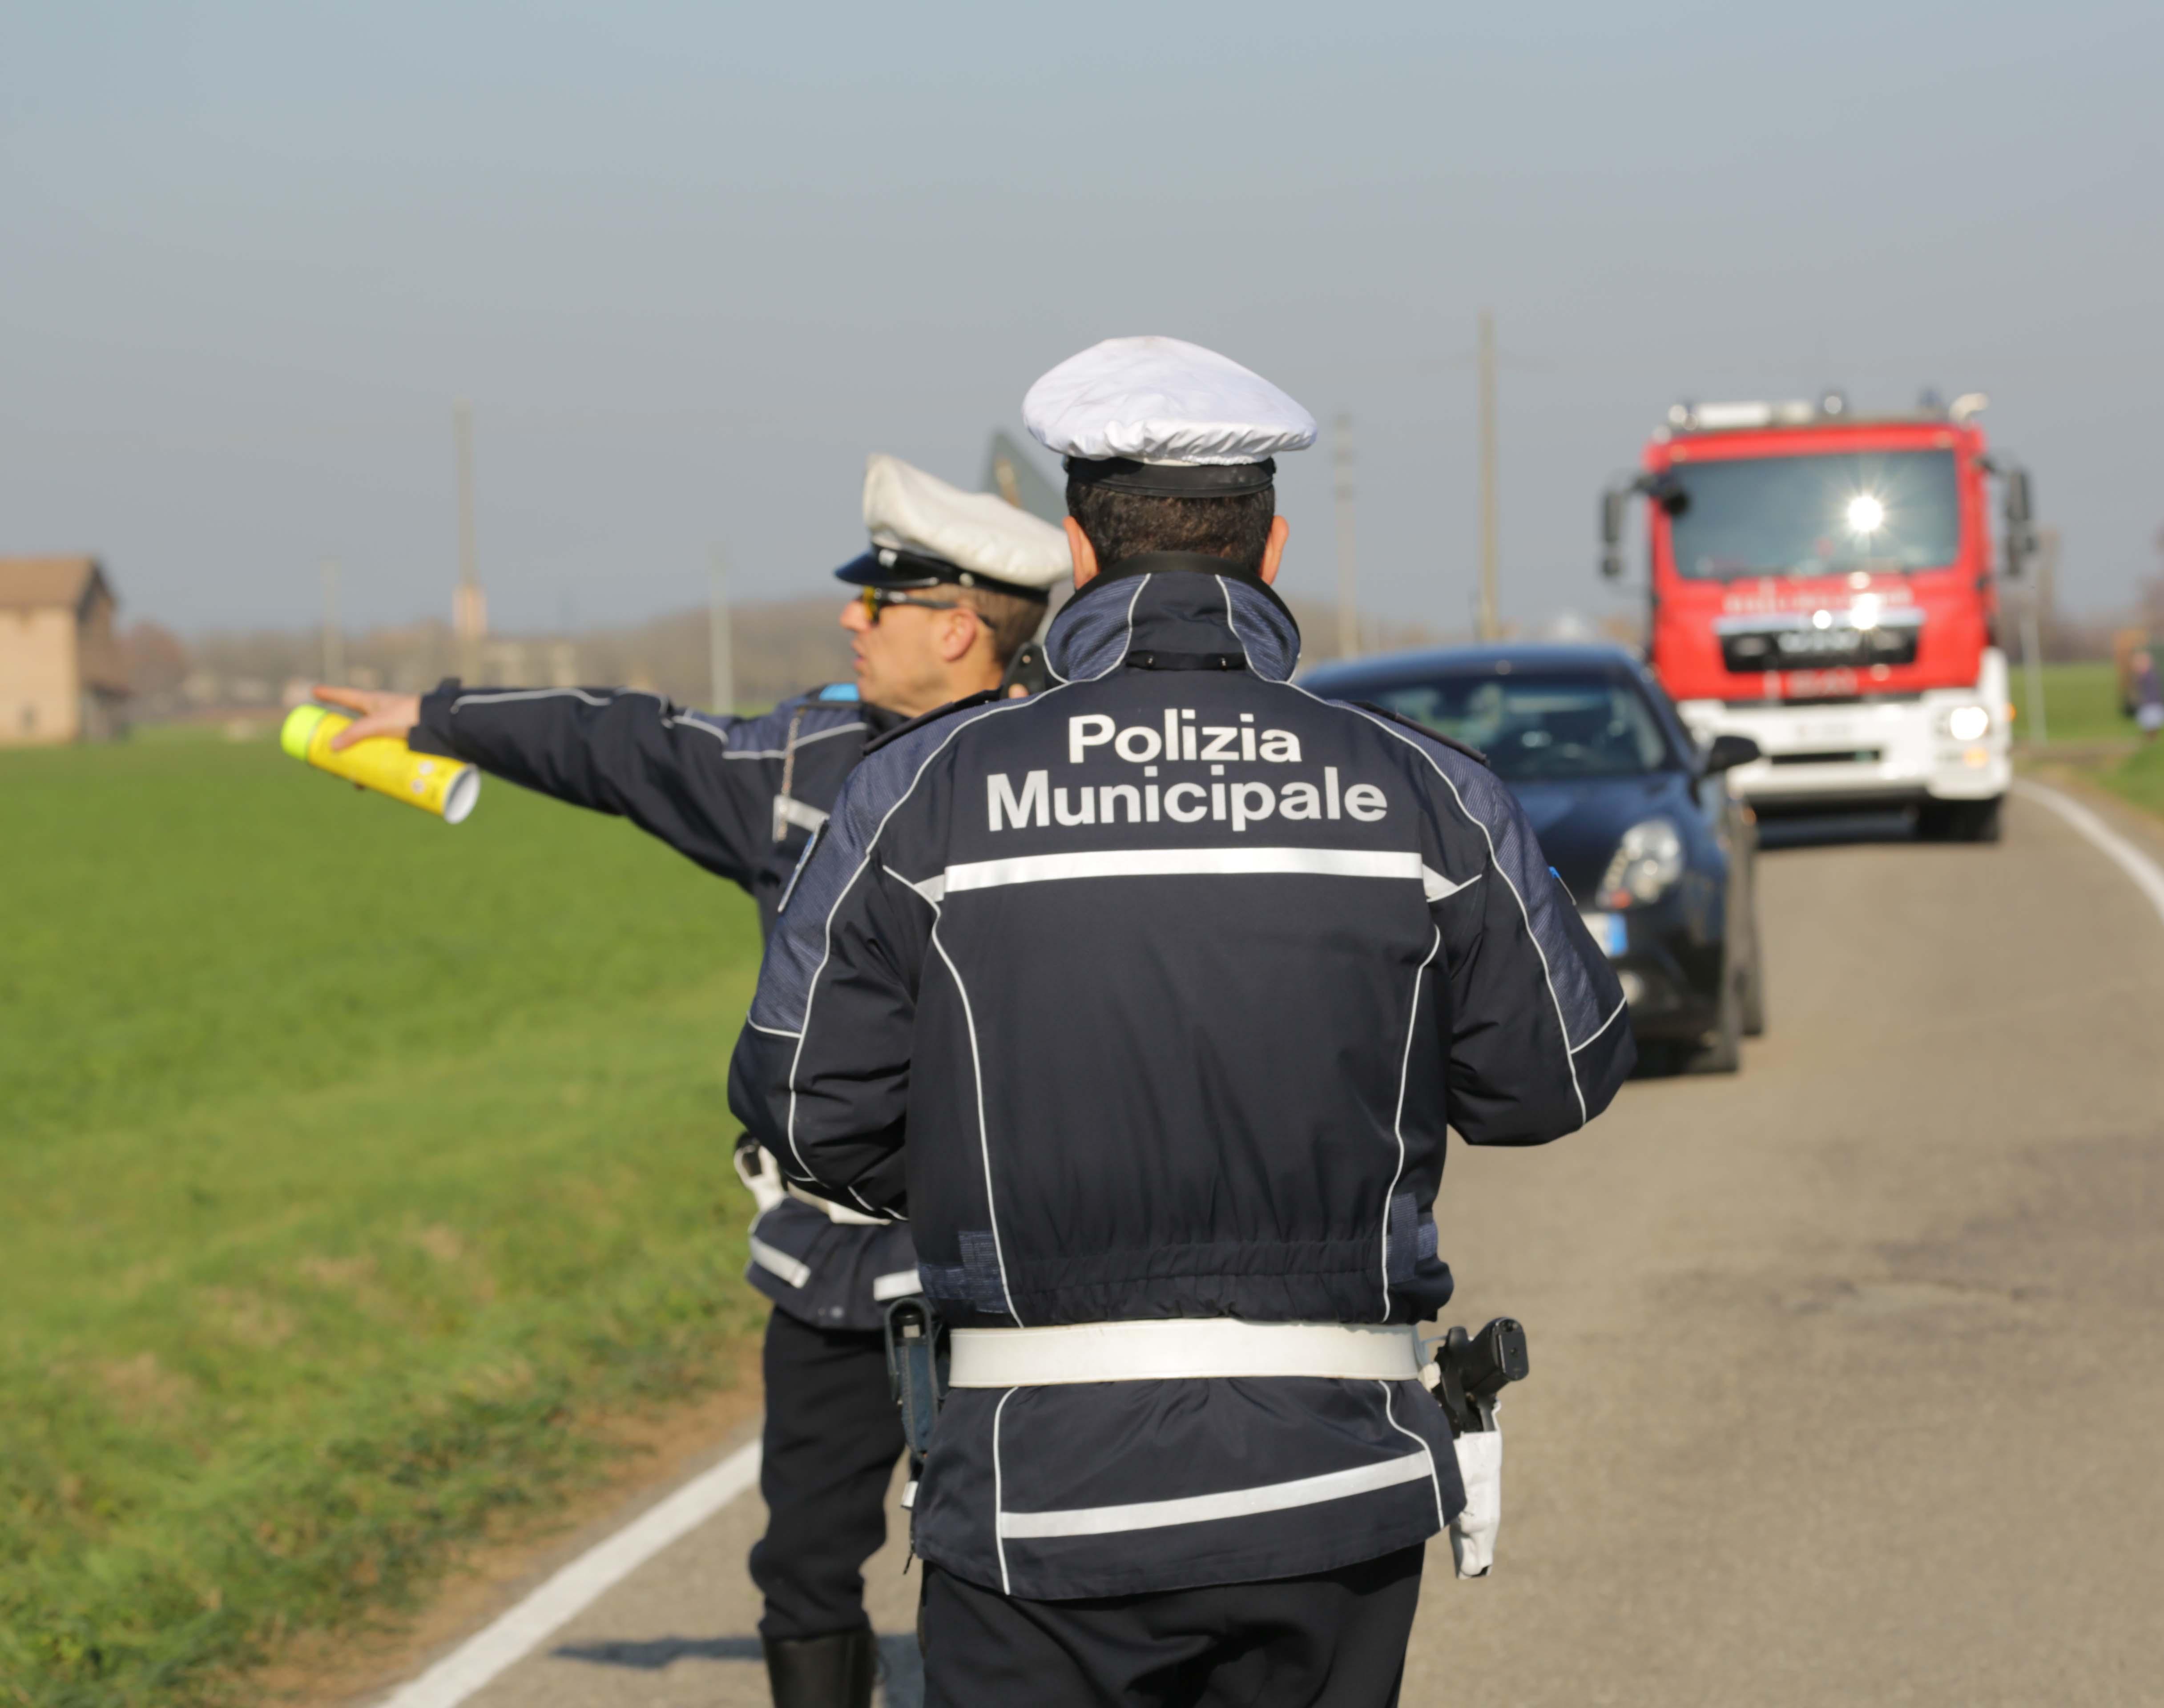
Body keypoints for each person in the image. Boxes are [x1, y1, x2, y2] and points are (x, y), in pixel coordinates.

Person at [730, 337, 1636, 1707]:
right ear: (1270, 550)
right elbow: (1553, 1077)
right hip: (1335, 1484)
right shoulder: (1429, 786)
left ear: (1078, 558)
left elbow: (803, 1107)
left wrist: (988, 1174)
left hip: (1036, 1489)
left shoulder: (922, 788)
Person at [314, 453, 1069, 1708]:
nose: (848, 617)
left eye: (876, 602)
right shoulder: (801, 768)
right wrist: (441, 719)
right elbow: (626, 744)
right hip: (836, 1261)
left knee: (1009, 1553)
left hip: (1013, 1256)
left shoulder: (1059, 776)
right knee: (805, 1563)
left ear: (954, 627)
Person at [2132, 648, 2164, 741]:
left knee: (2151, 720)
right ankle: (2150, 737)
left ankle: (2152, 737)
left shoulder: (2150, 676)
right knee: (2149, 721)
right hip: (2151, 702)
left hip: (2152, 702)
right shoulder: (2150, 675)